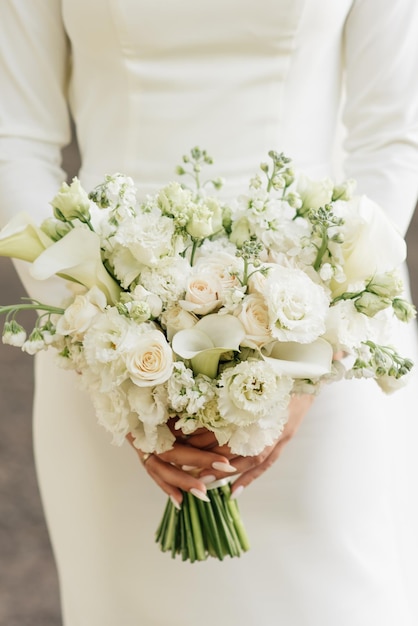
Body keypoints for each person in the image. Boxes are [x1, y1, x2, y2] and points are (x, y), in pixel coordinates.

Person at [1, 1, 418, 624]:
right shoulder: (104, 342)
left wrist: (309, 357)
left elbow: (393, 137)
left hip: (324, 334)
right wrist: (104, 335)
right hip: (106, 343)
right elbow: (15, 137)